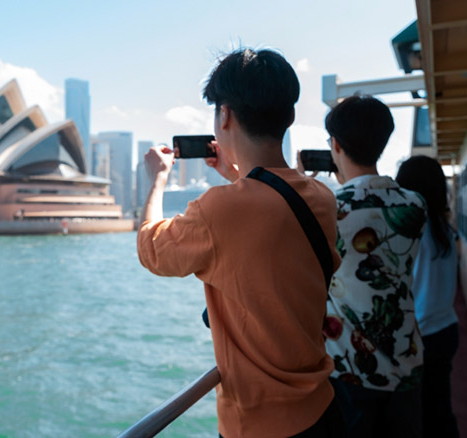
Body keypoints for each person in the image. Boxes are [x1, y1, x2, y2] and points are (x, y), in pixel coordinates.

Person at [137, 48, 344, 437]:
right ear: (289, 115)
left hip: (258, 424)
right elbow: (270, 216)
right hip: (322, 409)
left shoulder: (219, 210)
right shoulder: (322, 197)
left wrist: (157, 181)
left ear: (225, 114)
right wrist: (235, 175)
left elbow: (151, 250)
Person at [321, 95, 427, 437]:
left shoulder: (328, 210)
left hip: (350, 369)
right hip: (406, 360)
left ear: (335, 144)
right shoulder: (414, 203)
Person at [396, 155, 459, 437]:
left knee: (416, 414)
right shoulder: (445, 228)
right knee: (440, 406)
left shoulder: (410, 231)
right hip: (446, 329)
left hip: (418, 337)